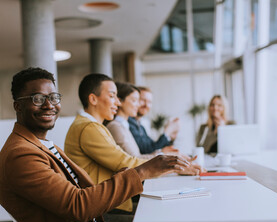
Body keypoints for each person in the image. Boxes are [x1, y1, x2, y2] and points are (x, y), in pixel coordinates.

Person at [0, 67, 198, 222]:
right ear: (18, 105)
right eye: (38, 99)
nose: (49, 104)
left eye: (53, 97)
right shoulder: (21, 154)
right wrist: (143, 172)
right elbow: (78, 204)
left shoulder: (42, 144)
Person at [64, 74, 199, 213]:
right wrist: (174, 167)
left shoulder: (91, 126)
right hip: (105, 210)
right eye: (112, 96)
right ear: (93, 99)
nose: (117, 102)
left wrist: (173, 164)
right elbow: (125, 162)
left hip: (109, 203)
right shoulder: (89, 127)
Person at [106, 82, 166, 159]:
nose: (138, 105)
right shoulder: (115, 126)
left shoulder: (124, 125)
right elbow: (135, 159)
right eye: (134, 100)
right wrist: (163, 155)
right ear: (120, 101)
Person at [128, 86, 180, 154]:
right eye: (143, 100)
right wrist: (167, 131)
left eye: (149, 102)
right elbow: (148, 150)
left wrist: (171, 136)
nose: (146, 105)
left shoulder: (141, 127)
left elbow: (156, 147)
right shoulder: (128, 124)